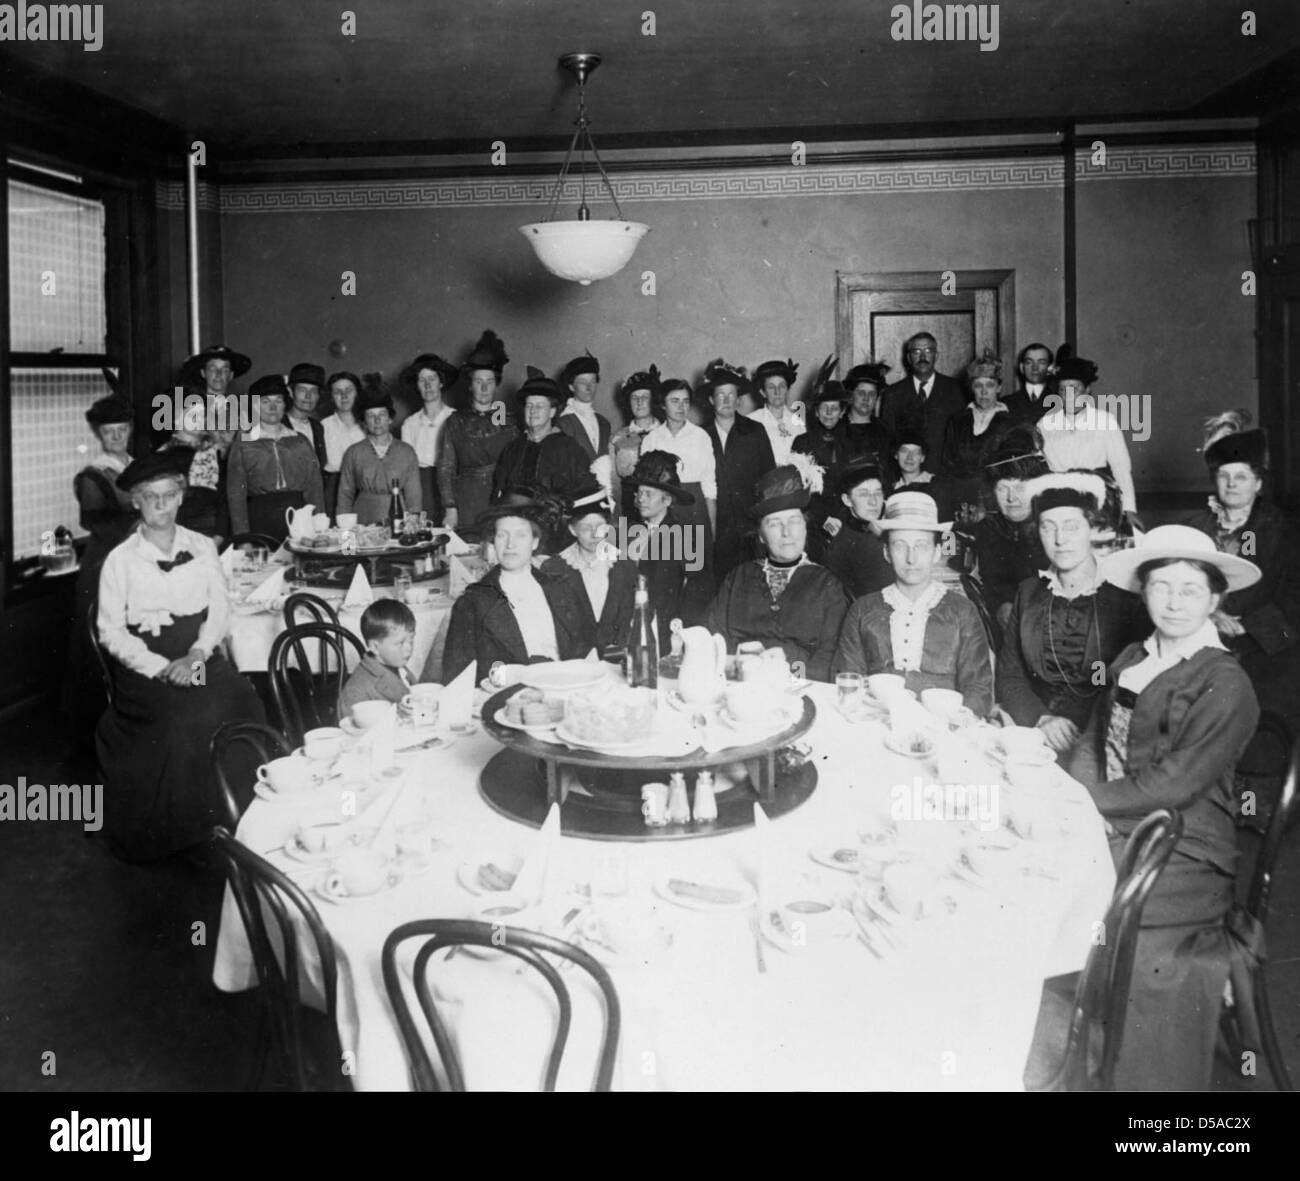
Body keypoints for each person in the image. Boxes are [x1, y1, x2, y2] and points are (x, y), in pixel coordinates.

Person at [1066, 525, 1263, 1090]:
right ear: (1143, 592)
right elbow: (1092, 738)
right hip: (1121, 819)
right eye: (1161, 587)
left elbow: (1176, 783)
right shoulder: (1133, 656)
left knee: (1098, 904)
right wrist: (1081, 797)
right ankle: (1075, 1056)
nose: (1174, 602)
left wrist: (1090, 804)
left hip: (1186, 846)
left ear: (1215, 599)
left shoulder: (1225, 681)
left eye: (1190, 590)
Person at [95, 448, 266, 861]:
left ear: (181, 497)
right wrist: (158, 667)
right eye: (150, 496)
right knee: (184, 716)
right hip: (146, 664)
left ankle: (243, 815)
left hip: (196, 656)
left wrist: (197, 654)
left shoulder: (203, 546)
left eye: (168, 495)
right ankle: (189, 833)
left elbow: (219, 608)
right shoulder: (120, 561)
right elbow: (110, 631)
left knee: (237, 697)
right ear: (135, 500)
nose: (160, 505)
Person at [997, 472, 1150, 755]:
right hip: (1035, 728)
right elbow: (1010, 676)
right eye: (1048, 527)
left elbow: (1129, 685)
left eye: (1071, 526)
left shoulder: (1125, 599)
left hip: (1099, 736)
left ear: (1092, 529)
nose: (1059, 540)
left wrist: (1076, 729)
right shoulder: (1028, 593)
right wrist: (1041, 719)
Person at [1183, 418, 1300, 730]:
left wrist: (1245, 626)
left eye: (1241, 477)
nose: (1231, 484)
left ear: (1258, 483)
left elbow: (1294, 595)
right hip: (1199, 641)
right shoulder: (1194, 527)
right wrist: (1211, 617)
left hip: (1266, 651)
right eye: (1223, 476)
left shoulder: (1285, 529)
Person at [833, 490, 993, 715]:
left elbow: (980, 690)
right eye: (900, 545)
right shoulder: (862, 610)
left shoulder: (962, 612)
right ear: (887, 552)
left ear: (937, 552)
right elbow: (848, 679)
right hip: (877, 725)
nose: (911, 558)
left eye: (921, 546)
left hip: (942, 729)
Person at [706, 462, 851, 683]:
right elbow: (713, 642)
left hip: (801, 691)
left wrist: (784, 670)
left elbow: (830, 661)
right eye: (774, 524)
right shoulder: (738, 578)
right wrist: (742, 669)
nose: (786, 533)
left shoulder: (828, 586)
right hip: (739, 688)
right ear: (761, 536)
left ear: (805, 526)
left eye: (794, 521)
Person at [442, 499, 594, 683]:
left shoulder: (563, 589)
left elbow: (587, 656)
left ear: (535, 542)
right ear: (493, 543)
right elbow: (458, 677)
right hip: (504, 700)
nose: (510, 544)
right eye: (502, 535)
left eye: (521, 535)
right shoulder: (473, 602)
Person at [65, 389, 138, 739]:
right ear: (99, 435)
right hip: (104, 563)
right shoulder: (94, 476)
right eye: (109, 432)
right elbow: (98, 523)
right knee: (103, 641)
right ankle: (103, 726)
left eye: (122, 429)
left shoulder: (135, 466)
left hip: (133, 561)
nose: (116, 436)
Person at [1038, 345, 1139, 528]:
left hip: (1097, 500)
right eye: (1062, 390)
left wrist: (1129, 509)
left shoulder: (1105, 421)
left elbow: (1121, 468)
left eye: (1074, 389)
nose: (1069, 395)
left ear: (1087, 390)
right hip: (1059, 500)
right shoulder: (1045, 424)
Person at [967, 426, 1051, 629]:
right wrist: (1001, 606)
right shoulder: (989, 528)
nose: (1012, 498)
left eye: (1020, 487)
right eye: (1003, 488)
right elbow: (994, 582)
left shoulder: (1054, 523)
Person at [640, 378, 718, 594]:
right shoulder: (652, 439)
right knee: (665, 569)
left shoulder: (701, 436)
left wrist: (710, 527)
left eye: (685, 401)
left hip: (695, 508)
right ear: (662, 404)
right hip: (663, 506)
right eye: (674, 401)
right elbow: (644, 487)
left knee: (697, 570)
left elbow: (709, 485)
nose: (681, 407)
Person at [226, 375, 324, 542]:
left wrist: (320, 528)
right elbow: (236, 493)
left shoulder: (300, 440)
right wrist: (243, 537)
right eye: (265, 401)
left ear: (286, 404)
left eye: (278, 401)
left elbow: (315, 488)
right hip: (260, 518)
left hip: (299, 517)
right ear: (255, 406)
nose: (272, 407)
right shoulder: (244, 440)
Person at [543, 480, 637, 653]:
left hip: (615, 659)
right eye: (586, 527)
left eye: (600, 526)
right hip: (572, 664)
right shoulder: (554, 568)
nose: (595, 534)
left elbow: (629, 618)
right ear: (572, 530)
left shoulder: (624, 565)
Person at [703, 358, 775, 580]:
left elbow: (769, 477)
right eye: (720, 395)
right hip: (717, 526)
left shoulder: (755, 431)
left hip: (750, 526)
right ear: (710, 399)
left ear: (738, 400)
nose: (726, 400)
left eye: (731, 394)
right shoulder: (700, 435)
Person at [439, 330, 514, 538]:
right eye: (478, 381)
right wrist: (450, 508)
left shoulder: (508, 421)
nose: (483, 387)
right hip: (467, 499)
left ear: (496, 384)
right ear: (470, 385)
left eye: (489, 382)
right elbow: (446, 468)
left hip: (502, 499)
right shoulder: (455, 421)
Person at [626, 450, 704, 648]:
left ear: (667, 500)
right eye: (639, 493)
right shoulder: (628, 532)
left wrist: (681, 634)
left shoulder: (686, 535)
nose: (641, 499)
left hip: (668, 632)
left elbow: (696, 591)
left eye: (648, 494)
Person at [175, 344, 251, 539]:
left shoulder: (241, 411)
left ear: (231, 375)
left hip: (232, 487)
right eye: (212, 369)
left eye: (224, 369)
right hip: (201, 493)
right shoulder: (189, 410)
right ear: (203, 373)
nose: (218, 375)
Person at [491, 367, 589, 512]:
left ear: (552, 411)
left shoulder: (569, 448)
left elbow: (582, 494)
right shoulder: (512, 449)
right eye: (529, 405)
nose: (532, 411)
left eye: (539, 406)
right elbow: (499, 492)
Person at [940, 348, 1018, 511]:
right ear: (971, 388)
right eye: (978, 386)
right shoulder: (958, 420)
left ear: (999, 387)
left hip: (994, 501)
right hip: (959, 499)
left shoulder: (1011, 423)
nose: (984, 392)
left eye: (989, 385)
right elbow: (947, 466)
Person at [878, 332, 967, 471]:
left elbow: (962, 438)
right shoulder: (893, 393)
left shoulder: (955, 389)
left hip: (945, 476)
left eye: (928, 351)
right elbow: (887, 441)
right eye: (916, 352)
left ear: (936, 355)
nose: (923, 357)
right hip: (906, 476)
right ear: (908, 357)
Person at [337, 383, 422, 526]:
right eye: (371, 416)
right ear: (364, 422)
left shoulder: (407, 452)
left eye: (382, 415)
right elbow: (344, 497)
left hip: (398, 520)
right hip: (362, 520)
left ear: (390, 418)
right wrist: (347, 546)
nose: (377, 421)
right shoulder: (354, 452)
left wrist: (412, 531)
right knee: (356, 549)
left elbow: (414, 498)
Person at [792, 378, 854, 550]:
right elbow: (798, 488)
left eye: (834, 408)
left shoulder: (852, 443)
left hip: (846, 518)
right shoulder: (802, 442)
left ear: (842, 412)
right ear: (816, 412)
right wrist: (822, 518)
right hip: (813, 521)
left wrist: (841, 518)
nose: (828, 413)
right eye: (824, 408)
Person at [399, 352, 458, 525]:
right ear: (416, 385)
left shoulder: (456, 418)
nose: (427, 385)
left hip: (452, 487)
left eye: (432, 378)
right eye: (422, 380)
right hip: (421, 487)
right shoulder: (409, 424)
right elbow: (405, 469)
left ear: (441, 382)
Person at [821, 459, 894, 599]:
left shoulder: (892, 532)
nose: (873, 502)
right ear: (847, 500)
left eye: (878, 493)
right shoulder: (839, 549)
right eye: (864, 494)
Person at [339, 599, 419, 718]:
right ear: (375, 647)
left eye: (411, 640)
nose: (409, 648)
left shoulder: (398, 666)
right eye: (400, 643)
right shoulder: (356, 693)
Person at [610, 365, 664, 521]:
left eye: (645, 397)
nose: (639, 402)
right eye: (634, 398)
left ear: (653, 400)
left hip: (662, 512)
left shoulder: (666, 434)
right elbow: (613, 485)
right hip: (629, 511)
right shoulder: (616, 438)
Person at [746, 357, 805, 464]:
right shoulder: (751, 421)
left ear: (787, 389)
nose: (777, 392)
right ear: (763, 392)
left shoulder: (798, 422)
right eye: (771, 387)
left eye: (782, 386)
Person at [321, 371, 365, 515]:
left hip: (366, 486)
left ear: (358, 393)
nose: (344, 396)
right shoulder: (323, 426)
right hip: (334, 487)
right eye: (337, 392)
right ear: (331, 397)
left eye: (349, 390)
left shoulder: (369, 424)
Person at [557, 352, 611, 464]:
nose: (589, 387)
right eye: (583, 382)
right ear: (571, 386)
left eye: (593, 381)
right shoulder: (563, 422)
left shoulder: (604, 423)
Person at [890, 432, 955, 520]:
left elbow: (948, 529)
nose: (910, 457)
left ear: (922, 458)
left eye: (916, 452)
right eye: (904, 451)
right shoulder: (890, 490)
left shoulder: (938, 486)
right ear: (896, 455)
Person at [842, 360, 892, 466]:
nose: (866, 398)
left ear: (877, 398)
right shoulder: (837, 428)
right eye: (861, 393)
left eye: (872, 394)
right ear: (851, 395)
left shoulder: (885, 432)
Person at [284, 362, 329, 472]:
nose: (308, 396)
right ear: (290, 392)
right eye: (302, 390)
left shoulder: (318, 427)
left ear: (318, 396)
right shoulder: (277, 424)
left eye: (313, 391)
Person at [1003, 342, 1055, 424]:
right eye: (1029, 362)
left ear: (1050, 368)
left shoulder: (1059, 403)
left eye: (1041, 362)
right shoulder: (1006, 404)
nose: (1035, 368)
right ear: (1021, 367)